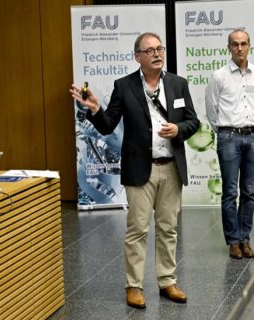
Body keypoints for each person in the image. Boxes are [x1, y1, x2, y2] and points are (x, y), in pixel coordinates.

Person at [70, 32, 199, 309]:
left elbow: (193, 122)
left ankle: (167, 281)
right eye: (150, 50)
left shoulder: (178, 84)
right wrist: (94, 109)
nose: (157, 54)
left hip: (171, 168)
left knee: (168, 228)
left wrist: (178, 130)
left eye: (159, 49)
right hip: (141, 169)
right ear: (137, 56)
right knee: (138, 230)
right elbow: (107, 125)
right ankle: (134, 286)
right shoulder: (124, 86)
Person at [205, 29, 254, 259]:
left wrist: (250, 126)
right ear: (228, 47)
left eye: (243, 44)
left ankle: (245, 239)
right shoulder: (219, 76)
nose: (239, 48)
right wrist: (224, 131)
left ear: (249, 45)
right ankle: (233, 241)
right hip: (228, 137)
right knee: (230, 192)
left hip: (253, 137)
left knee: (249, 192)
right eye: (235, 44)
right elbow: (212, 111)